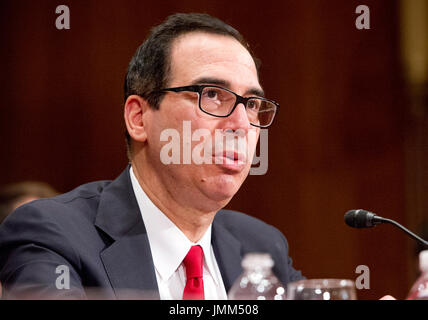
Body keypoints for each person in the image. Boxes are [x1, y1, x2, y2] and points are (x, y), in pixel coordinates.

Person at [0, 13, 304, 299]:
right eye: (211, 94)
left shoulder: (262, 246)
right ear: (139, 118)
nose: (240, 124)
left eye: (251, 104)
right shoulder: (52, 234)